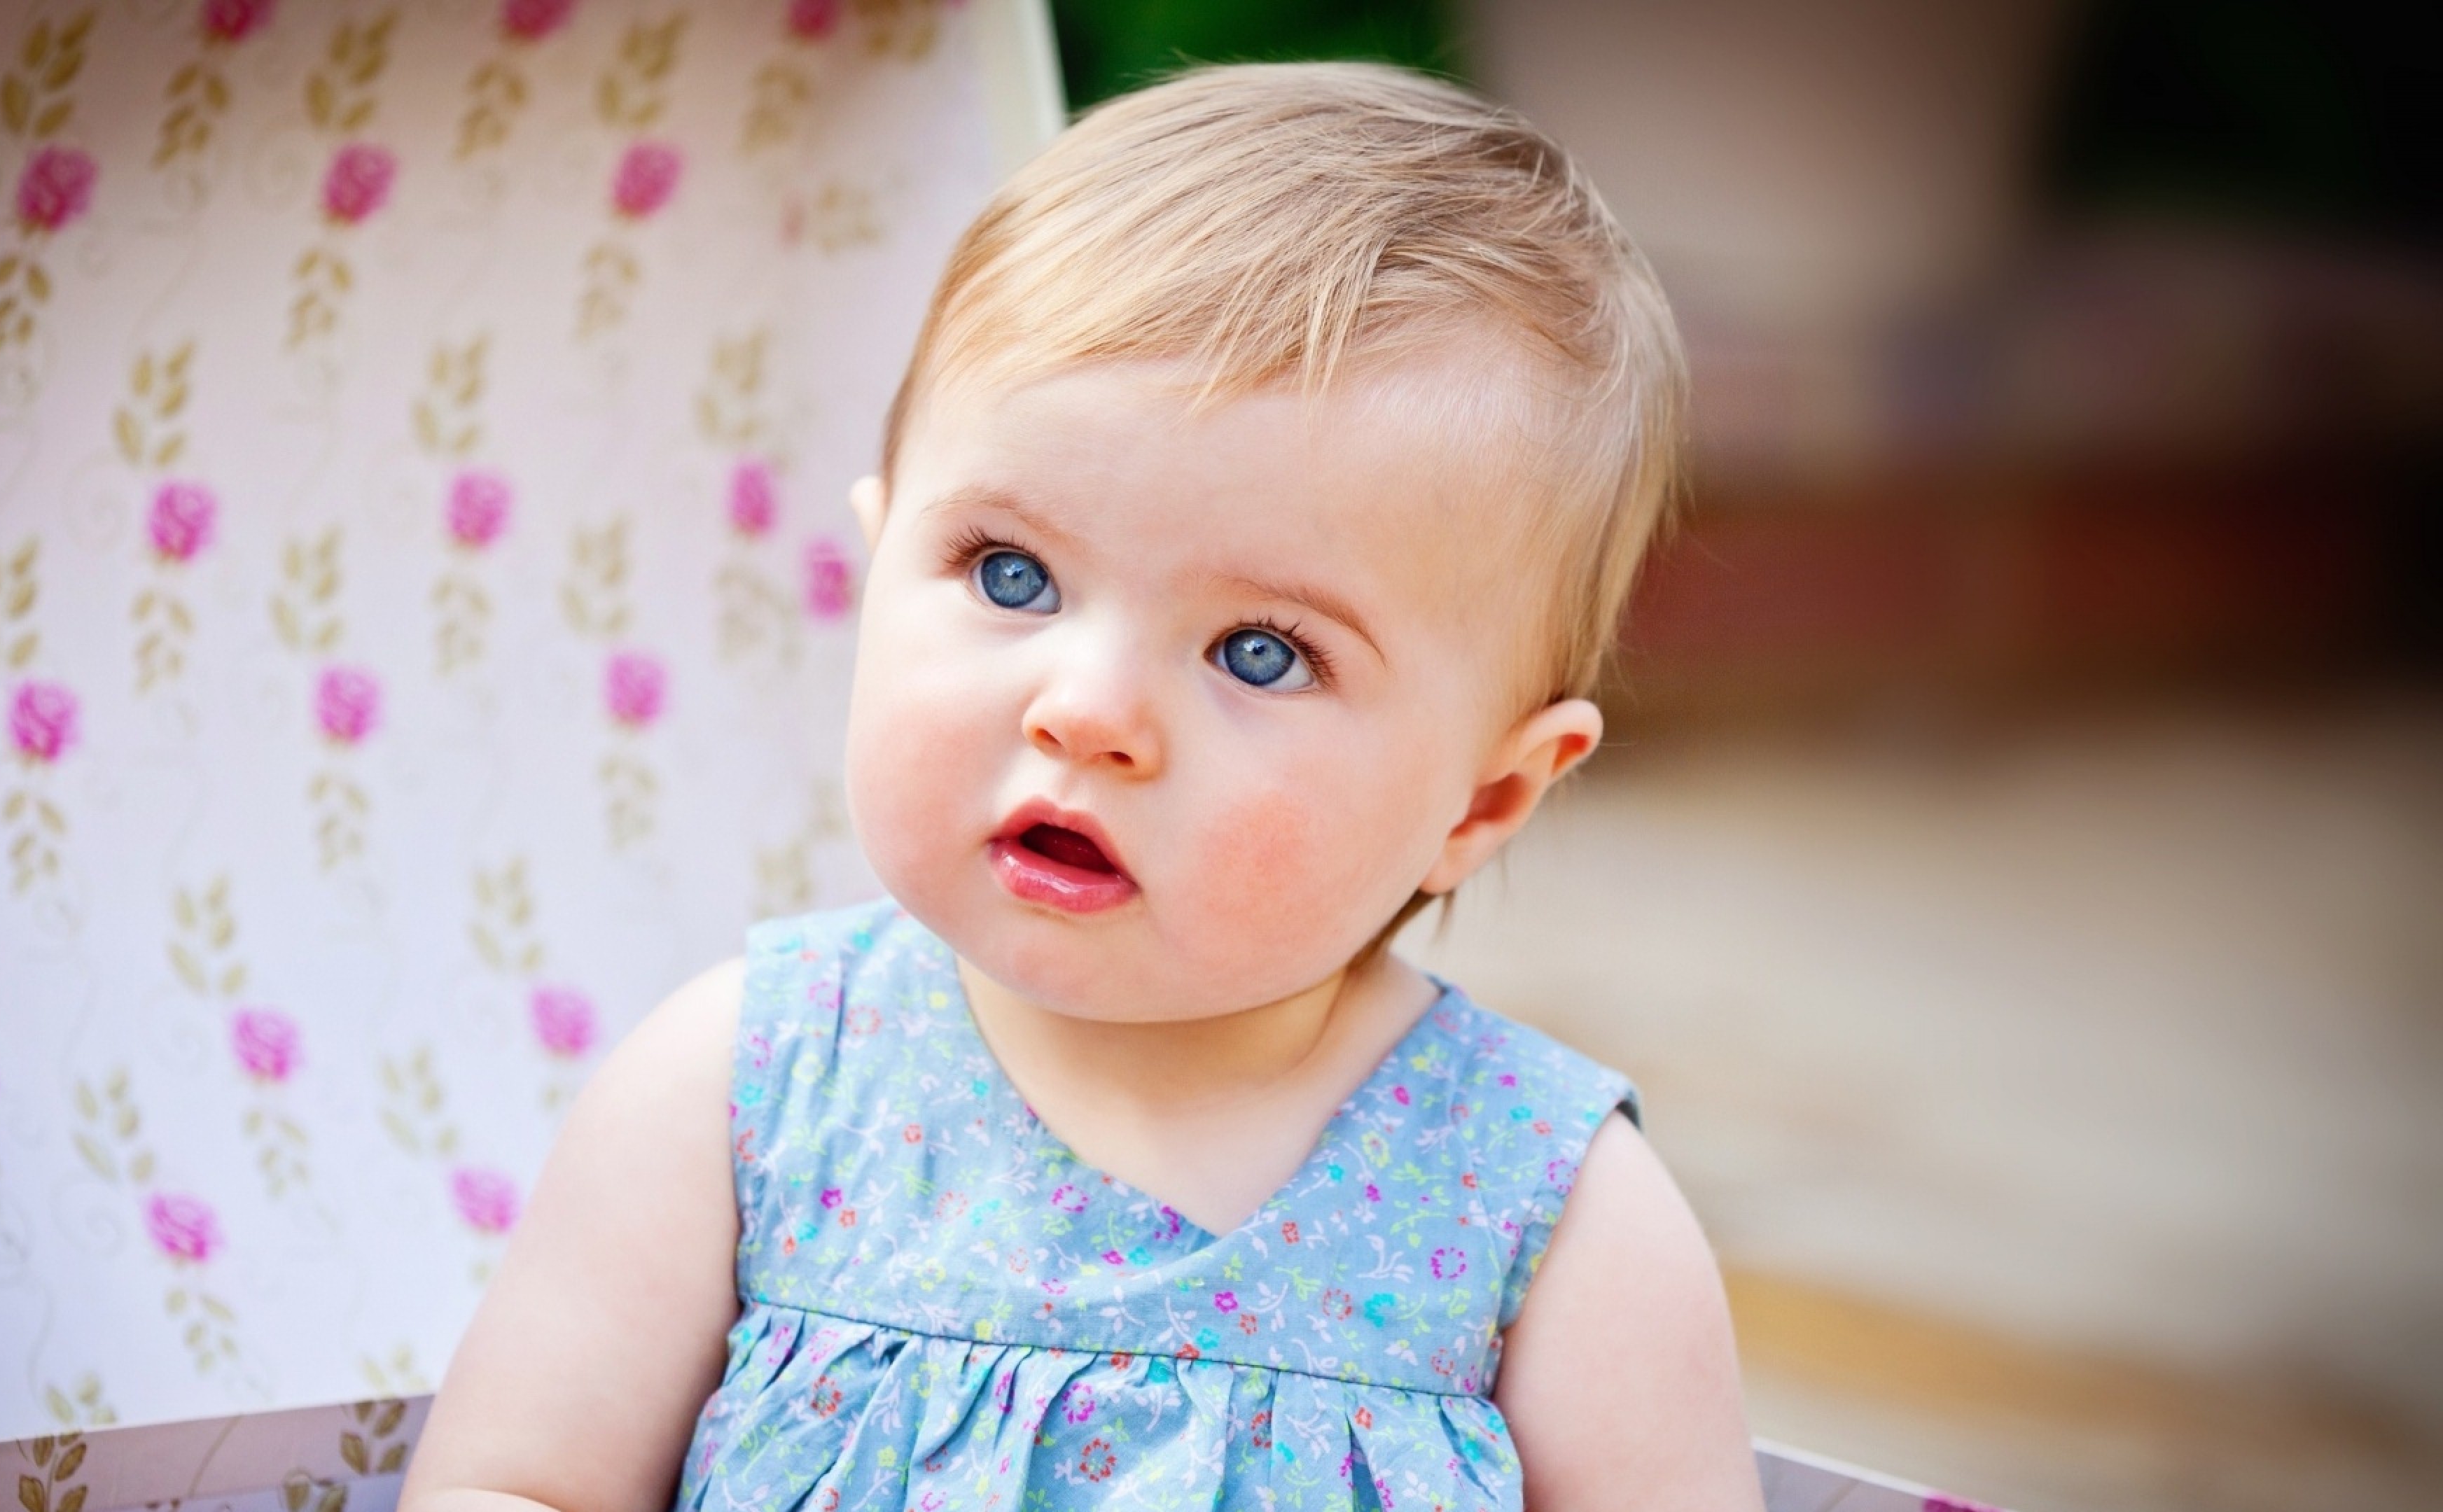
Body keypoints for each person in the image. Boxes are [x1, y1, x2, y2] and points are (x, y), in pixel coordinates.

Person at [401, 61, 1760, 1512]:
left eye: (1258, 652)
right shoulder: (748, 1090)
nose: (1090, 711)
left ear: (1484, 803)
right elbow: (513, 1486)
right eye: (1012, 574)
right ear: (875, 569)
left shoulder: (1541, 1217)